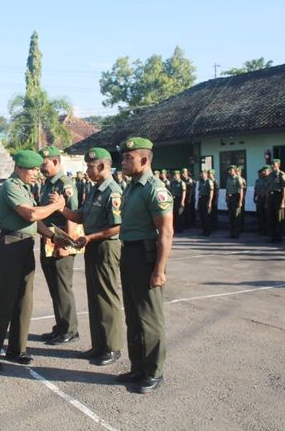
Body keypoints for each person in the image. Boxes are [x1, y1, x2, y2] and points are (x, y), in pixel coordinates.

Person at [0, 150, 66, 372]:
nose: (36, 174)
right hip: (10, 245)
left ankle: (16, 349)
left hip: (25, 245)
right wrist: (56, 207)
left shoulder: (25, 188)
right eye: (33, 169)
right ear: (20, 168)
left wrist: (55, 237)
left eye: (38, 169)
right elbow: (30, 215)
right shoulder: (11, 186)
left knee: (23, 302)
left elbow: (35, 223)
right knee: (4, 301)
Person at [114, 137, 173, 394]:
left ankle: (153, 372)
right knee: (133, 316)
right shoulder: (131, 187)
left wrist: (159, 270)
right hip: (129, 253)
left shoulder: (154, 189)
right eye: (123, 157)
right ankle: (138, 366)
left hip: (146, 256)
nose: (123, 161)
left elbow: (166, 233)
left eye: (129, 157)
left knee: (150, 317)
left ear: (144, 160)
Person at [58, 147, 125, 366]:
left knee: (107, 297)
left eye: (90, 166)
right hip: (92, 245)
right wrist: (61, 209)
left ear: (104, 166)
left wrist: (91, 237)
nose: (87, 170)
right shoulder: (96, 189)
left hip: (106, 247)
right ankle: (99, 345)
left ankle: (112, 347)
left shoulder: (113, 191)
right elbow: (80, 216)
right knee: (94, 298)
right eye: (87, 165)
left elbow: (117, 226)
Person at [37, 145, 80, 345]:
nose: (41, 168)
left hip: (60, 240)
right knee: (54, 286)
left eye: (44, 164)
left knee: (63, 286)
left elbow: (72, 215)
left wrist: (67, 244)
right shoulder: (47, 184)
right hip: (48, 239)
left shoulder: (65, 184)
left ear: (55, 162)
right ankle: (60, 326)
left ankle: (70, 330)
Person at [266, 159, 285, 243]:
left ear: (278, 165)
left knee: (279, 217)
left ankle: (279, 236)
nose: (272, 166)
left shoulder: (281, 175)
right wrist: (267, 201)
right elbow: (268, 189)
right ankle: (272, 236)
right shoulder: (270, 175)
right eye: (271, 165)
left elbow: (284, 189)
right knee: (271, 217)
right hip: (271, 197)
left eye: (274, 165)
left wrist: (283, 201)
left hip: (278, 196)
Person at [225, 165, 244, 238]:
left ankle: (236, 233)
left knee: (236, 217)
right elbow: (227, 190)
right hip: (230, 199)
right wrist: (226, 198)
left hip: (236, 198)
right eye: (229, 170)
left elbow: (241, 191)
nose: (229, 171)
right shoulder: (228, 179)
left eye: (231, 170)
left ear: (235, 170)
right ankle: (231, 233)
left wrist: (240, 201)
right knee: (231, 216)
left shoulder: (238, 178)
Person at [254, 166, 270, 235]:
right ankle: (262, 230)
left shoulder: (269, 180)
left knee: (267, 215)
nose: (261, 173)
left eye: (263, 171)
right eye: (260, 173)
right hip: (260, 198)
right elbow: (256, 190)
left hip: (267, 198)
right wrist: (255, 197)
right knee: (260, 215)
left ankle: (267, 231)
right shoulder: (259, 180)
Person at [197, 170, 214, 236]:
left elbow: (211, 192)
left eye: (203, 174)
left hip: (206, 199)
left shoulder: (209, 181)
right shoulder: (201, 182)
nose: (202, 175)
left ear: (206, 175)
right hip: (201, 199)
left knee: (206, 216)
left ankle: (208, 231)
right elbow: (199, 191)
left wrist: (209, 202)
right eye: (201, 174)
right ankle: (203, 230)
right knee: (201, 216)